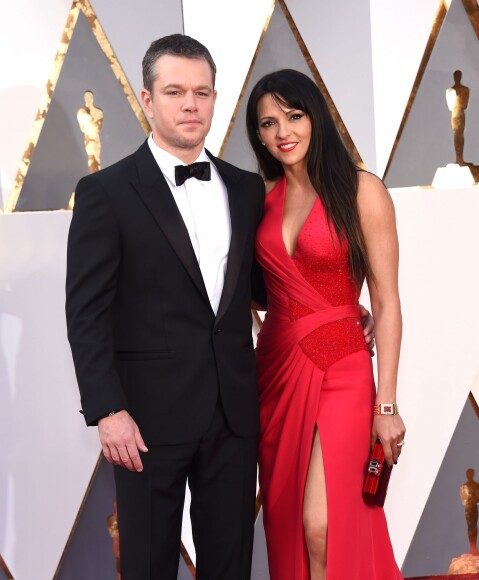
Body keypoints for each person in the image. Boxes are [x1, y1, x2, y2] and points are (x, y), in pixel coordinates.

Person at [66, 34, 265, 579]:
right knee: (149, 567)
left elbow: (264, 287)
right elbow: (86, 314)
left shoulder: (246, 188)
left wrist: (343, 305)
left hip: (233, 413)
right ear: (148, 100)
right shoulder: (105, 192)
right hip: (145, 420)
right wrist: (108, 410)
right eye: (175, 91)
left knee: (230, 566)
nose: (190, 104)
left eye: (201, 92)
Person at [246, 69, 405, 579]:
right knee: (289, 523)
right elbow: (247, 291)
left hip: (343, 369)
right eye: (267, 123)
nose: (282, 132)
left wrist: (388, 403)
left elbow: (386, 298)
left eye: (293, 116)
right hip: (274, 372)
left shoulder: (362, 191)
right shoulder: (260, 200)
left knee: (323, 523)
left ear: (316, 116)